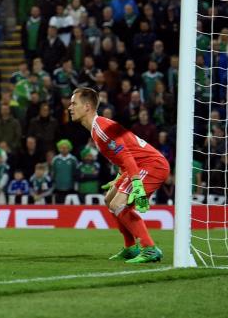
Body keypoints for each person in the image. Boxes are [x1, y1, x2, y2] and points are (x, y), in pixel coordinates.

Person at [69, 87, 170, 264]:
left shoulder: (101, 128)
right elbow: (126, 153)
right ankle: (131, 247)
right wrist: (119, 177)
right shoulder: (98, 127)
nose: (70, 107)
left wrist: (137, 187)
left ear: (87, 107)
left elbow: (128, 158)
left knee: (119, 203)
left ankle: (149, 248)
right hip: (137, 165)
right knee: (109, 199)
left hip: (151, 165)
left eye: (73, 103)